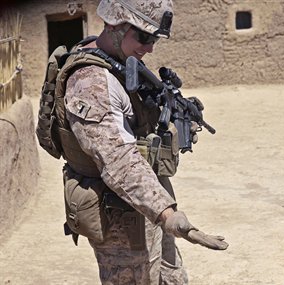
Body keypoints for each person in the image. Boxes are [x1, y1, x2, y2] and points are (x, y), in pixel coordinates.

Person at [47, 0, 228, 284]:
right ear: (116, 24)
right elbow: (117, 158)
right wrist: (166, 213)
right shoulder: (89, 82)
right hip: (119, 217)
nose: (151, 47)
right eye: (144, 36)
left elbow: (139, 126)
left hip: (147, 203)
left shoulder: (120, 63)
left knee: (170, 277)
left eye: (154, 38)